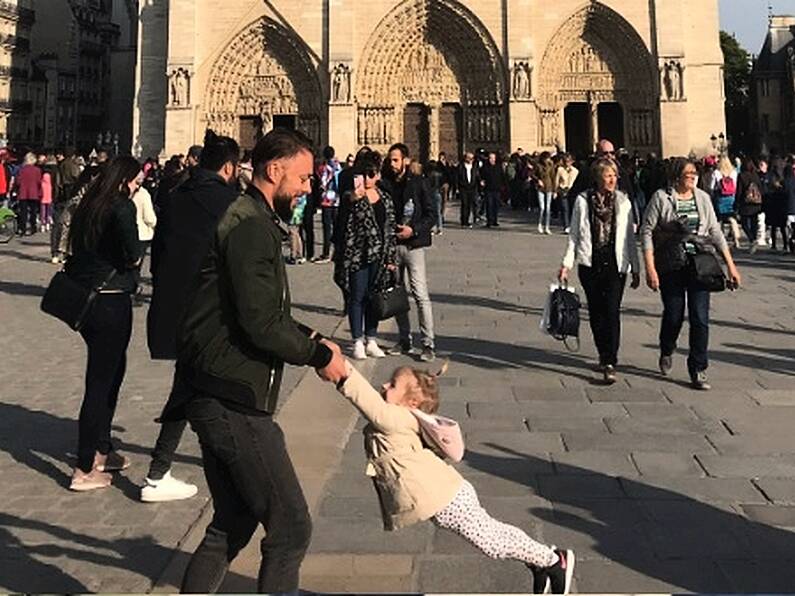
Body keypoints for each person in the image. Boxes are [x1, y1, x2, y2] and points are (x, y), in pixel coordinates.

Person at [176, 128, 347, 593]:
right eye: (304, 178)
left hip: (216, 387)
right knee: (290, 528)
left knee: (232, 522)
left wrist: (314, 338)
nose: (309, 187)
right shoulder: (250, 225)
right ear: (275, 170)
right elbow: (259, 323)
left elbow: (264, 311)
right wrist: (316, 355)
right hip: (233, 395)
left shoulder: (251, 217)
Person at [333, 361, 575, 595]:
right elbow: (375, 405)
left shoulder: (398, 418)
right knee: (493, 533)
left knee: (492, 543)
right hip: (445, 494)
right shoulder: (397, 416)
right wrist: (339, 362)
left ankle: (553, 561)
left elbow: (371, 405)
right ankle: (540, 559)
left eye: (392, 385)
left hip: (447, 497)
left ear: (412, 402)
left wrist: (343, 373)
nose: (385, 386)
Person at [143, 130, 241, 503]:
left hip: (175, 309)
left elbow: (160, 256)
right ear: (230, 167)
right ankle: (162, 471)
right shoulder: (229, 202)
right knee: (215, 386)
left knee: (190, 385)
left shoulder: (174, 196)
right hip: (212, 311)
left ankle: (161, 470)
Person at [64, 156, 143, 490]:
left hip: (89, 301)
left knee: (109, 376)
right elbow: (133, 253)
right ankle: (84, 468)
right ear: (124, 180)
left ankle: (102, 449)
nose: (139, 185)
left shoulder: (89, 205)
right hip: (110, 302)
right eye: (137, 181)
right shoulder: (121, 208)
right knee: (100, 383)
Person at [642, 158, 742, 391]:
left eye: (694, 173)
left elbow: (715, 232)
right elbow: (647, 231)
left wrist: (731, 265)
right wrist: (650, 267)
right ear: (676, 175)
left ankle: (698, 368)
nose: (692, 177)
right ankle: (667, 348)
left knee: (700, 317)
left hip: (700, 264)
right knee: (674, 315)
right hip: (671, 264)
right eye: (687, 173)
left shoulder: (703, 198)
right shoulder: (661, 198)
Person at [559, 158, 640, 385]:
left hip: (616, 262)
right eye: (608, 175)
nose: (613, 179)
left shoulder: (623, 201)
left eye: (614, 175)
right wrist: (567, 264)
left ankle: (610, 358)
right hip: (590, 262)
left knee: (612, 310)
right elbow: (574, 235)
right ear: (598, 178)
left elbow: (629, 238)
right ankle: (603, 351)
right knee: (596, 311)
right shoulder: (583, 201)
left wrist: (636, 267)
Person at [333, 151, 397, 360]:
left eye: (373, 174)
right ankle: (357, 340)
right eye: (365, 174)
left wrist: (390, 258)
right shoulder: (352, 196)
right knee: (357, 296)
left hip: (379, 254)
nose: (369, 178)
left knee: (374, 297)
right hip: (357, 254)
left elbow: (389, 227)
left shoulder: (385, 198)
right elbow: (341, 222)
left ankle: (371, 338)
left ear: (378, 174)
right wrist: (352, 198)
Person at [381, 143, 437, 362]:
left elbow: (431, 214)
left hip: (414, 245)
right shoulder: (386, 184)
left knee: (420, 294)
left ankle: (428, 343)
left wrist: (413, 229)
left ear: (405, 160)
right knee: (397, 294)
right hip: (394, 246)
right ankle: (404, 339)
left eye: (395, 159)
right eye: (390, 160)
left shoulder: (419, 183)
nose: (391, 163)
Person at [131, 179, 157, 306]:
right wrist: (155, 225)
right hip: (142, 233)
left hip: (131, 231)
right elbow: (149, 217)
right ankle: (133, 291)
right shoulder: (143, 194)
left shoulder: (124, 192)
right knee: (136, 266)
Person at [314, 145, 340, 263]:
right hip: (337, 200)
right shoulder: (338, 166)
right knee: (337, 227)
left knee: (327, 228)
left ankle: (326, 253)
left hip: (327, 200)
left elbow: (323, 183)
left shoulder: (325, 168)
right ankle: (337, 251)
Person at [711, 156, 742, 249]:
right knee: (732, 219)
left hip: (720, 197)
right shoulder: (733, 172)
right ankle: (736, 239)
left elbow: (711, 187)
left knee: (719, 219)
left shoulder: (716, 173)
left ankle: (722, 240)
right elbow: (736, 186)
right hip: (731, 197)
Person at [735, 158, 764, 253]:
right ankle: (754, 239)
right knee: (754, 222)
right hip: (756, 203)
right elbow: (760, 188)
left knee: (744, 224)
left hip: (745, 203)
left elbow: (739, 191)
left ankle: (752, 239)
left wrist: (737, 203)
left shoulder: (742, 176)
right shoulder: (755, 176)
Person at [15, 152, 43, 235]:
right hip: (33, 193)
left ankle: (22, 228)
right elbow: (39, 182)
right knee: (33, 212)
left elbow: (18, 182)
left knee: (23, 212)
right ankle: (33, 227)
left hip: (23, 193)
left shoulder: (21, 170)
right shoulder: (37, 170)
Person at [555, 153, 578, 234]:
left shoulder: (575, 171)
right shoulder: (560, 169)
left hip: (572, 190)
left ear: (572, 162)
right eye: (565, 161)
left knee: (572, 208)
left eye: (568, 161)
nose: (566, 163)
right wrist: (555, 191)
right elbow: (556, 181)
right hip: (562, 190)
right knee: (565, 209)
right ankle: (566, 226)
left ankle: (573, 225)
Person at [479, 152, 503, 228]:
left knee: (496, 205)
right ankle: (489, 221)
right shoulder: (485, 167)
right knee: (489, 205)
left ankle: (495, 220)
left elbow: (502, 176)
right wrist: (481, 181)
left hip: (497, 189)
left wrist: (503, 186)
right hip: (488, 189)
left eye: (492, 158)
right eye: (490, 158)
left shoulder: (498, 167)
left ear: (495, 159)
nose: (491, 159)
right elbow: (480, 176)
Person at [458, 152, 480, 228]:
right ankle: (464, 221)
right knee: (465, 204)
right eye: (469, 158)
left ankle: (467, 220)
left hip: (472, 187)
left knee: (470, 205)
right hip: (464, 188)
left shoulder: (474, 167)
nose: (471, 160)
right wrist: (458, 187)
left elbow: (477, 176)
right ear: (465, 158)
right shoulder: (461, 166)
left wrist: (480, 182)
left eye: (472, 158)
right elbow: (457, 177)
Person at [537, 152, 556, 234]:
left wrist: (555, 190)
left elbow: (553, 177)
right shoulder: (538, 165)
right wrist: (538, 180)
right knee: (542, 208)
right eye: (546, 158)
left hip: (549, 187)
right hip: (540, 188)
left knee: (548, 208)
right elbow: (532, 174)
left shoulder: (551, 166)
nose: (548, 160)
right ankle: (540, 224)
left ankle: (547, 226)